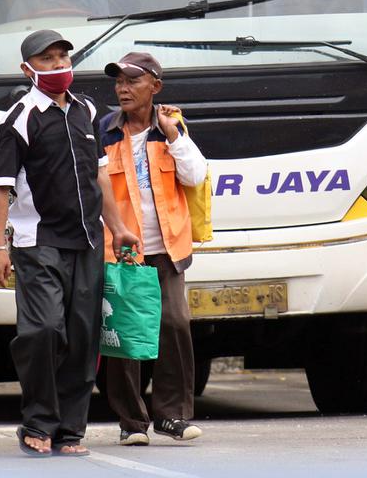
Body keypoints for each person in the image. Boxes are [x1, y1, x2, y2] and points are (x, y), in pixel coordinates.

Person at [0, 29, 141, 457]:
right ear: (27, 69)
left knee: (83, 334)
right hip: (38, 241)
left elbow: (99, 176)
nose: (58, 65)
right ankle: (37, 421)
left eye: (62, 57)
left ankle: (70, 429)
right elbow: (0, 187)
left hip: (88, 239)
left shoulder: (88, 110)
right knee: (43, 329)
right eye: (47, 59)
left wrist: (119, 226)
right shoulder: (18, 118)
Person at [99, 52, 207, 445]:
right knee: (126, 335)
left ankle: (172, 416)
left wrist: (174, 133)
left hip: (167, 247)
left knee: (174, 326)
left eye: (132, 81)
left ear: (155, 87)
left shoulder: (171, 129)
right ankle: (131, 422)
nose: (123, 89)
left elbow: (195, 175)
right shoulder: (105, 131)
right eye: (119, 82)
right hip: (122, 248)